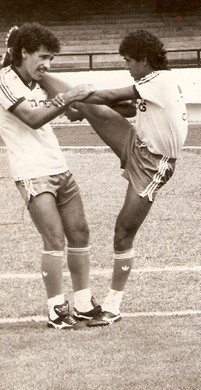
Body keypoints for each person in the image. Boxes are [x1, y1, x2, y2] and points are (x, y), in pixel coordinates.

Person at [43, 29, 188, 327]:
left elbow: (110, 96)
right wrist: (81, 109)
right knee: (87, 105)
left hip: (154, 164)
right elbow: (124, 106)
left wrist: (72, 96)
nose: (128, 67)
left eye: (129, 62)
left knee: (123, 233)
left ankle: (113, 305)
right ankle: (39, 75)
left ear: (145, 60)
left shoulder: (160, 80)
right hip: (137, 144)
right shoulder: (152, 81)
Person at [0, 23, 100, 329]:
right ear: (24, 52)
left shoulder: (42, 83)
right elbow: (32, 118)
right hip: (32, 172)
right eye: (43, 56)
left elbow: (73, 112)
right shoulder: (4, 81)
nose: (47, 64)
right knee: (54, 238)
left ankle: (83, 303)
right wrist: (68, 97)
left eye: (52, 59)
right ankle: (57, 309)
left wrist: (80, 102)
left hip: (59, 167)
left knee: (80, 232)